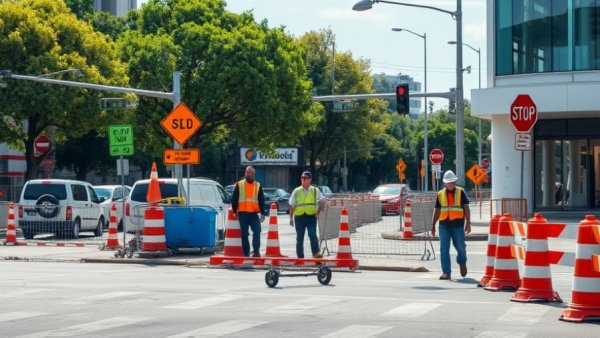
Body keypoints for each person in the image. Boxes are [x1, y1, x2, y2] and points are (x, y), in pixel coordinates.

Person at [431, 170, 471, 280]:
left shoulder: (460, 192)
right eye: (449, 183)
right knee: (444, 249)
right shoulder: (440, 194)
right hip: (444, 226)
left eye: (452, 182)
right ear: (445, 183)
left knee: (461, 247)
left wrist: (468, 223)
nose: (451, 185)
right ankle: (446, 272)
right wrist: (433, 225)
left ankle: (462, 262)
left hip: (458, 225)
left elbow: (466, 208)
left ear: (455, 182)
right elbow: (437, 210)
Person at [289, 171, 326, 259]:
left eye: (305, 178)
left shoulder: (314, 190)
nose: (303, 179)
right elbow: (291, 204)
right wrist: (291, 218)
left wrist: (318, 212)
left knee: (312, 234)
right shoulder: (296, 191)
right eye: (302, 178)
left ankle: (316, 255)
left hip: (311, 217)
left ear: (310, 180)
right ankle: (300, 257)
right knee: (300, 237)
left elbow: (322, 201)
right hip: (299, 217)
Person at [231, 166, 267, 257]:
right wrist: (234, 211)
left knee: (257, 231)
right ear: (245, 173)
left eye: (251, 173)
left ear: (254, 174)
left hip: (254, 213)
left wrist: (263, 213)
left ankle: (256, 251)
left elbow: (261, 200)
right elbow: (234, 198)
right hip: (243, 213)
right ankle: (246, 253)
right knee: (244, 234)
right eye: (248, 172)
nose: (249, 174)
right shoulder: (240, 184)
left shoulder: (257, 185)